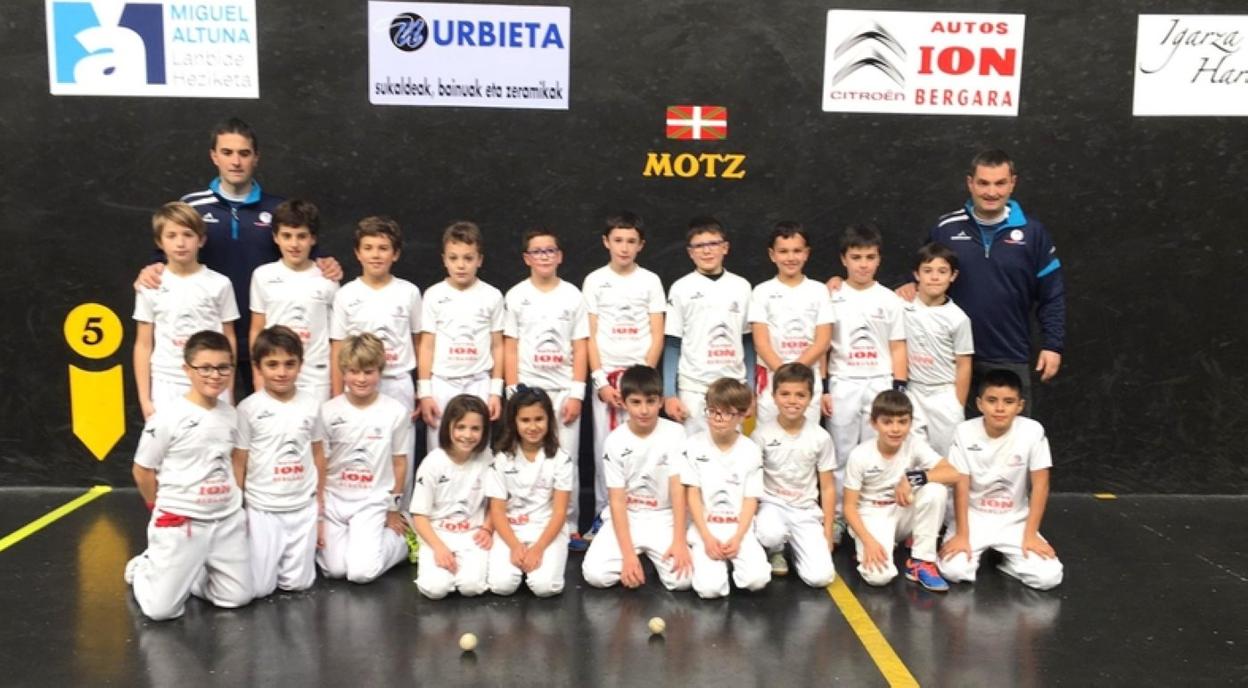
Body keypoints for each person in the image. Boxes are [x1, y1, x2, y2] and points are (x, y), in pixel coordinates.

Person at [133, 118, 342, 396]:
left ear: (256, 157)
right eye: (227, 152)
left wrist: (328, 262)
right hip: (215, 339)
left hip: (266, 342)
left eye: (244, 153)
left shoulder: (277, 209)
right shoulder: (192, 206)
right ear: (214, 156)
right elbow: (165, 257)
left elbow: (308, 254)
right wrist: (150, 270)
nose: (235, 162)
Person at [914, 149, 1065, 414]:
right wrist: (841, 283)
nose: (992, 192)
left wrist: (1052, 345)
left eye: (1000, 183)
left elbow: (1051, 294)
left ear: (1013, 183)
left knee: (1010, 438)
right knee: (949, 439)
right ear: (970, 183)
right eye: (983, 183)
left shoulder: (1033, 233)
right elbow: (918, 280)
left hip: (1008, 355)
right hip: (948, 359)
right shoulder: (946, 229)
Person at [125, 330, 251, 621]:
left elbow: (238, 462)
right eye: (205, 368)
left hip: (226, 522)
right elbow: (142, 470)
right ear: (187, 369)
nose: (215, 375)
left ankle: (189, 573)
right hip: (182, 522)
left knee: (236, 598)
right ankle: (144, 568)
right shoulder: (166, 418)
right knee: (161, 611)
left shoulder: (235, 416)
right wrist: (157, 507)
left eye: (223, 367)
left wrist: (235, 503)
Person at [938, 369, 1064, 590]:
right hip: (973, 516)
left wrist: (1031, 535)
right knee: (955, 571)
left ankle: (1009, 563)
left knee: (1049, 578)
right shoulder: (964, 431)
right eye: (992, 400)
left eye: (1008, 401)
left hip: (1014, 519)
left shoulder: (1033, 431)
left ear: (1020, 406)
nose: (999, 408)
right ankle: (976, 551)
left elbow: (1041, 485)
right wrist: (962, 535)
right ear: (979, 404)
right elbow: (961, 486)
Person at [502, 228, 589, 547]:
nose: (544, 257)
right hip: (527, 393)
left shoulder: (573, 295)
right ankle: (525, 520)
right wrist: (513, 392)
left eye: (550, 251)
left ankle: (569, 525)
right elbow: (510, 346)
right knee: (524, 459)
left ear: (560, 256)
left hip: (564, 392)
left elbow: (580, 346)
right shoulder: (515, 296)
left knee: (566, 459)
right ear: (527, 258)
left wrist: (577, 393)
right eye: (537, 252)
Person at [821, 223, 908, 542]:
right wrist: (825, 387)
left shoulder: (890, 300)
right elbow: (824, 346)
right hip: (843, 383)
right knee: (842, 453)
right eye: (856, 257)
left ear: (879, 259)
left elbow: (898, 347)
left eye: (870, 257)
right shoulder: (831, 296)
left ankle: (872, 514)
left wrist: (899, 389)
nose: (863, 264)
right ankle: (840, 517)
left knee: (878, 452)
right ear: (843, 259)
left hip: (880, 383)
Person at [582, 211, 665, 540]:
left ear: (641, 245)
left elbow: (657, 334)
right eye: (618, 240)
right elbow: (589, 335)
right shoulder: (594, 280)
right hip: (606, 382)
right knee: (605, 450)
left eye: (631, 241)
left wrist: (641, 381)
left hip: (639, 382)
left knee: (643, 450)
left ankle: (642, 517)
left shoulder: (651, 281)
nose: (624, 247)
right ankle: (604, 517)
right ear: (606, 242)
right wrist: (601, 381)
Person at [232, 326, 326, 598]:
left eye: (289, 364)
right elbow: (239, 462)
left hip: (302, 506)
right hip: (263, 508)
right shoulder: (247, 409)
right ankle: (197, 574)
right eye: (272, 364)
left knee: (298, 584)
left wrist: (318, 501)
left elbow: (318, 454)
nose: (281, 372)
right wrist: (238, 508)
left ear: (301, 365)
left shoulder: (312, 404)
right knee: (260, 588)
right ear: (258, 367)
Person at [581, 365, 692, 591]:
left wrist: (679, 541)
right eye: (636, 402)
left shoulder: (676, 434)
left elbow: (678, 490)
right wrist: (629, 556)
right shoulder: (614, 441)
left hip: (663, 517)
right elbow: (617, 500)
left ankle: (653, 557)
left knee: (684, 581)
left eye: (651, 402)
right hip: (628, 516)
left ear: (661, 402)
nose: (644, 410)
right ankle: (638, 558)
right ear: (623, 402)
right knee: (596, 575)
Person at [329, 216, 421, 482]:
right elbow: (338, 348)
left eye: (383, 248)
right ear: (358, 253)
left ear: (396, 253)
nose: (376, 255)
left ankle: (400, 506)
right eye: (368, 248)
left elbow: (418, 341)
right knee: (361, 454)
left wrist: (420, 388)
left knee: (401, 454)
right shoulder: (345, 294)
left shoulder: (409, 292)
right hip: (357, 385)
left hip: (398, 383)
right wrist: (338, 395)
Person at [842, 391, 961, 591]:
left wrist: (913, 477)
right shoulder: (860, 455)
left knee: (935, 490)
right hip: (872, 513)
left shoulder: (914, 445)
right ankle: (871, 545)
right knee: (879, 577)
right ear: (874, 423)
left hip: (901, 509)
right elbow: (849, 507)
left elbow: (953, 473)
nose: (895, 429)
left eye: (902, 422)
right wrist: (868, 541)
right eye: (887, 422)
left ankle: (921, 562)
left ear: (910, 423)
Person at [317, 334, 411, 584]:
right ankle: (360, 543)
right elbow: (321, 462)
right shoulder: (328, 411)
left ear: (380, 371)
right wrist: (319, 504)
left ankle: (404, 539)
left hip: (372, 500)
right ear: (343, 371)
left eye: (368, 372)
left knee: (361, 573)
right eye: (354, 371)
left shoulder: (395, 411)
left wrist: (393, 509)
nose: (361, 379)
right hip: (335, 499)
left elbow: (399, 463)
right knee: (335, 570)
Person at [133, 202, 239, 418]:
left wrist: (228, 390)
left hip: (212, 380)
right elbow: (143, 344)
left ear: (201, 240)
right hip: (167, 382)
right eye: (171, 236)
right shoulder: (149, 285)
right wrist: (144, 399)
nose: (180, 243)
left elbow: (229, 339)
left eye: (188, 235)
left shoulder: (220, 284)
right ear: (159, 242)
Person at [417, 221, 505, 451]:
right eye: (453, 258)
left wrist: (495, 391)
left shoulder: (492, 296)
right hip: (442, 384)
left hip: (479, 383)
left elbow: (498, 346)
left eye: (468, 258)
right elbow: (426, 346)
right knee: (439, 451)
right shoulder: (433, 295)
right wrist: (425, 392)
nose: (461, 265)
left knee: (479, 451)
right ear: (444, 260)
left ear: (480, 260)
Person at [663, 217, 754, 435]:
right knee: (694, 452)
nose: (706, 251)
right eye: (699, 246)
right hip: (693, 389)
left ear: (725, 247)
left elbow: (748, 342)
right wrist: (669, 394)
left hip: (734, 388)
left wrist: (750, 389)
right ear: (690, 252)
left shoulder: (742, 287)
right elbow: (673, 344)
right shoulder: (681, 288)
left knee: (732, 450)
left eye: (713, 244)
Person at [682, 378, 771, 599]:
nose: (718, 419)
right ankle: (713, 563)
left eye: (727, 413)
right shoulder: (692, 445)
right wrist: (706, 537)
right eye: (713, 411)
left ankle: (735, 563)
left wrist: (738, 537)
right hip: (706, 528)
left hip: (738, 527)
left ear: (742, 415)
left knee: (757, 580)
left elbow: (751, 499)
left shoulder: (751, 450)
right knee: (709, 590)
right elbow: (692, 495)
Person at [751, 363, 836, 587]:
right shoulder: (761, 434)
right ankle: (776, 550)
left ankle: (799, 548)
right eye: (785, 394)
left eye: (800, 395)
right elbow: (751, 482)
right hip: (772, 504)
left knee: (820, 578)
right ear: (774, 396)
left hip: (805, 510)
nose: (792, 401)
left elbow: (827, 487)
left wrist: (827, 531)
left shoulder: (821, 437)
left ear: (810, 397)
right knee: (769, 533)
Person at [485, 387, 574, 597]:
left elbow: (560, 512)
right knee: (502, 586)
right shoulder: (501, 459)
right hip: (511, 529)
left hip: (546, 530)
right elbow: (497, 511)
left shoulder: (561, 459)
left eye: (539, 419)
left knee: (545, 587)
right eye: (525, 420)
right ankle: (519, 567)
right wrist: (515, 546)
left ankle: (536, 568)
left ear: (549, 420)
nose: (533, 427)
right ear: (514, 422)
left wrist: (538, 548)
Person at [248, 200, 338, 401]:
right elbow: (257, 329)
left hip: (317, 379)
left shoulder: (328, 279)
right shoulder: (262, 276)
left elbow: (335, 339)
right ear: (275, 237)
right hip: (274, 377)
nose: (294, 244)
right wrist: (258, 377)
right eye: (287, 236)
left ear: (313, 239)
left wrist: (336, 382)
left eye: (301, 236)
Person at [748, 221, 834, 426]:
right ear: (772, 255)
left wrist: (796, 375)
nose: (790, 257)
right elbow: (761, 343)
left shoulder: (819, 291)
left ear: (806, 253)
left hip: (808, 379)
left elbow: (822, 341)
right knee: (769, 438)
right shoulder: (761, 292)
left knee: (807, 437)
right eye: (783, 251)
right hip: (772, 378)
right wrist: (784, 376)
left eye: (797, 251)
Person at [410, 394, 494, 599]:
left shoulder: (487, 457)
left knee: (471, 587)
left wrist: (487, 527)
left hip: (472, 533)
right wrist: (439, 548)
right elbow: (419, 515)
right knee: (435, 589)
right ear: (448, 427)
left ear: (484, 431)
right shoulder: (433, 463)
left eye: (475, 428)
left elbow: (496, 502)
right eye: (460, 427)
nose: (467, 435)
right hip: (437, 533)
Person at [904, 243, 974, 454]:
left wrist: (957, 404)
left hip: (944, 394)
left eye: (942, 271)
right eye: (927, 271)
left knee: (947, 457)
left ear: (953, 276)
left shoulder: (959, 318)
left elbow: (964, 364)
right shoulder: (901, 306)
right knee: (910, 455)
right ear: (916, 274)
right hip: (912, 391)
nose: (934, 277)